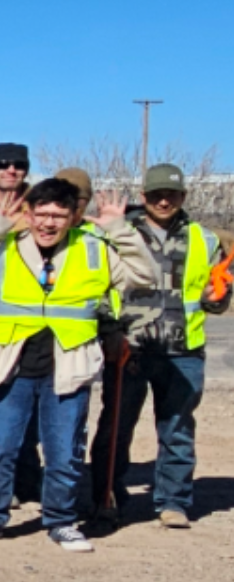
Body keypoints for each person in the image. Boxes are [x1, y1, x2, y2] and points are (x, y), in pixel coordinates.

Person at [0, 178, 153, 552]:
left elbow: (145, 277)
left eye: (58, 215)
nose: (48, 222)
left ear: (73, 217)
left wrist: (120, 231)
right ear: (27, 215)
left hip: (68, 364)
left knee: (64, 451)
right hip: (9, 364)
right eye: (40, 213)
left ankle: (60, 521)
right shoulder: (5, 247)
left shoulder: (94, 249)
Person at [91, 164, 229, 529]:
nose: (163, 200)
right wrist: (110, 333)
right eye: (155, 195)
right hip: (129, 348)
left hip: (183, 351)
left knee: (177, 430)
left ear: (183, 196)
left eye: (171, 194)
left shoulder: (205, 238)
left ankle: (173, 502)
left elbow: (213, 297)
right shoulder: (116, 232)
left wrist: (218, 297)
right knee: (116, 428)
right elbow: (99, 288)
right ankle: (106, 498)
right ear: (143, 197)